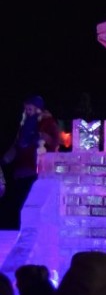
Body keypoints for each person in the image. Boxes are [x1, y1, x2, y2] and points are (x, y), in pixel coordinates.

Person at [1, 95, 62, 229]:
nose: (27, 111)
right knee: (18, 201)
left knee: (30, 202)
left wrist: (43, 138)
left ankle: (30, 228)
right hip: (20, 170)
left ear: (38, 109)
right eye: (26, 108)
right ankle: (18, 227)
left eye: (30, 108)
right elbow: (17, 145)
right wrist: (5, 159)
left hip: (36, 170)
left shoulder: (47, 122)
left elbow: (56, 141)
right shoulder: (24, 124)